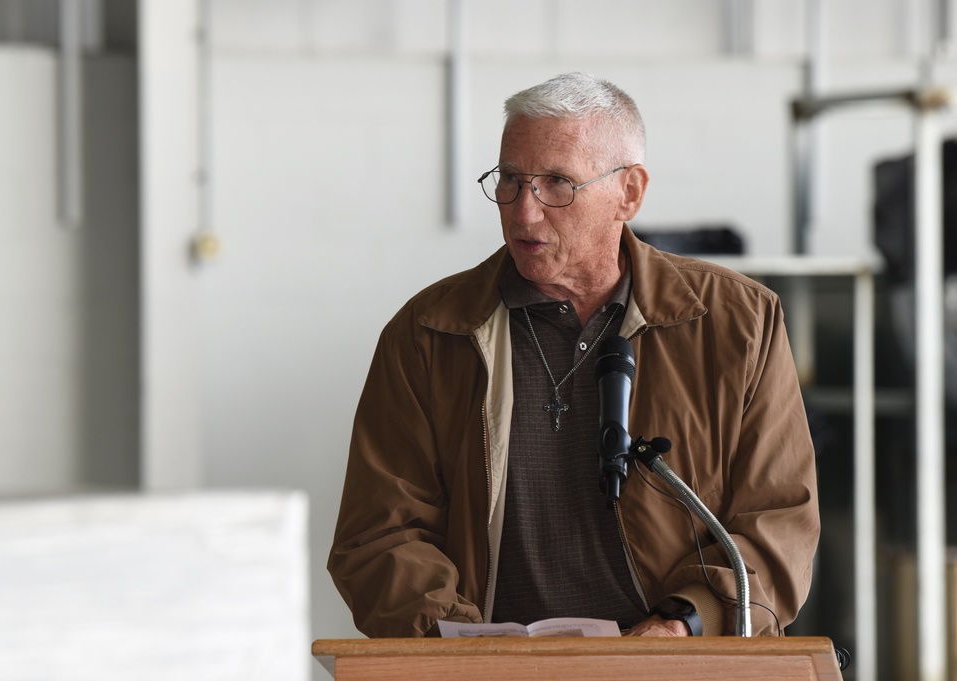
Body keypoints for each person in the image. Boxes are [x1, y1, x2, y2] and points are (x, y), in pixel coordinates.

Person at [328, 72, 820, 638]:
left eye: (557, 184)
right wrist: (464, 647)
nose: (524, 212)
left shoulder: (740, 322)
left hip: (673, 667)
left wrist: (685, 622)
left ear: (629, 192)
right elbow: (380, 535)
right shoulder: (428, 333)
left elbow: (778, 521)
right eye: (510, 181)